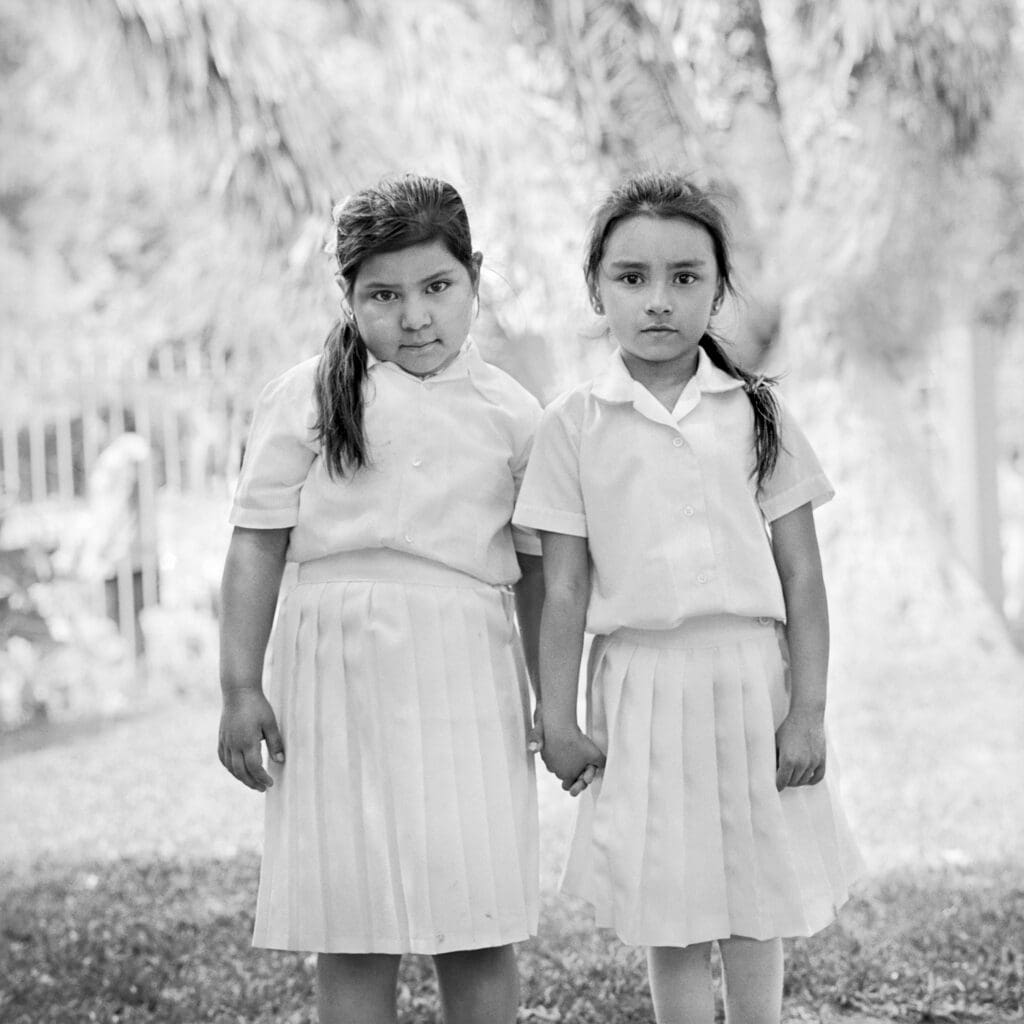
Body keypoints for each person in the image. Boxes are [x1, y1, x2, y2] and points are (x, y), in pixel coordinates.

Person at [513, 171, 863, 1024]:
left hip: (750, 680)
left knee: (756, 889)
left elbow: (803, 576)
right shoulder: (573, 425)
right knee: (667, 901)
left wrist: (808, 710)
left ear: (717, 289)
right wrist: (555, 717)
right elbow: (562, 586)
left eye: (685, 277)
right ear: (596, 288)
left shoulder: (756, 413)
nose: (658, 301)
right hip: (639, 684)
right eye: (631, 278)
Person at [217, 175, 544, 1024]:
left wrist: (556, 700)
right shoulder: (306, 398)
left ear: (476, 274)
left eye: (438, 287)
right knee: (353, 917)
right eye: (384, 295)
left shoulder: (512, 415)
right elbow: (257, 544)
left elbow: (541, 570)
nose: (416, 317)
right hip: (337, 670)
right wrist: (240, 687)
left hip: (465, 669)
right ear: (348, 297)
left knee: (475, 910)